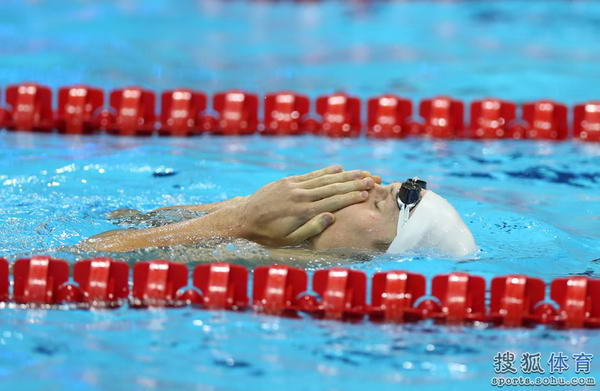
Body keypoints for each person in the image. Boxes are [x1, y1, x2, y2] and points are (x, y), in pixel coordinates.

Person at [81, 165, 477, 257]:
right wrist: (246, 209)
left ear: (383, 248)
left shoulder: (291, 269)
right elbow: (126, 217)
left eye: (376, 202)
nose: (366, 187)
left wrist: (237, 223)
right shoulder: (277, 243)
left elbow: (78, 257)